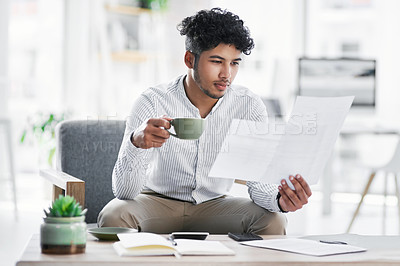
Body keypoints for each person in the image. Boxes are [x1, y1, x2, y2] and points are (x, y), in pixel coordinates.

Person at [98, 7, 312, 235]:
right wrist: (137, 143)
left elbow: (257, 182)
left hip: (215, 206)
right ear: (190, 59)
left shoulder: (248, 105)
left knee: (274, 220)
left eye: (234, 63)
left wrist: (280, 200)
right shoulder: (151, 101)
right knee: (114, 215)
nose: (226, 74)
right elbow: (125, 192)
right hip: (157, 203)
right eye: (217, 61)